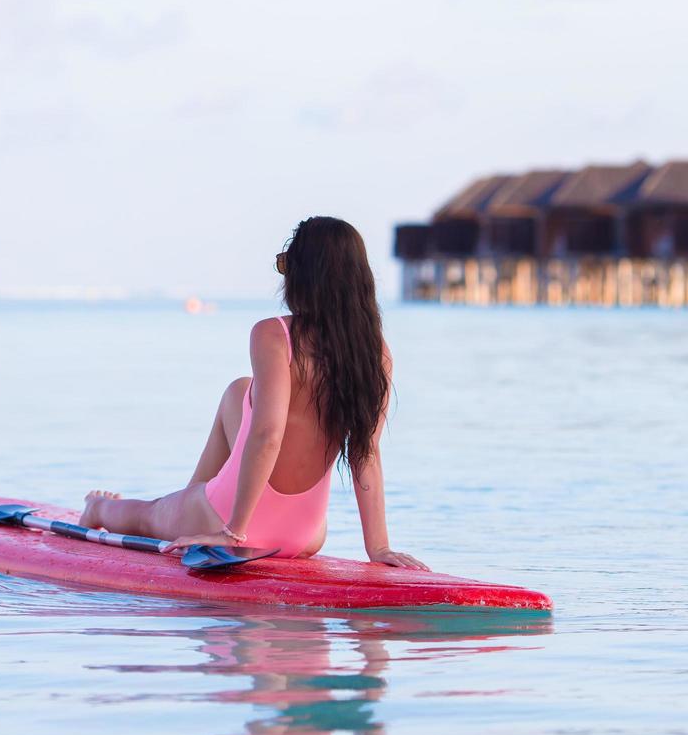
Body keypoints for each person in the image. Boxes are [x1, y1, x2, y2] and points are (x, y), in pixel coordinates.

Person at [78, 216, 428, 568]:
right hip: (304, 535)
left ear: (303, 275)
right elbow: (365, 455)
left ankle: (99, 507)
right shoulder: (376, 354)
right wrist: (379, 548)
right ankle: (192, 499)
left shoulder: (275, 335)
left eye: (285, 264)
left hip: (234, 522)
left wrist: (233, 531)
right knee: (239, 392)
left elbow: (267, 435)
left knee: (150, 515)